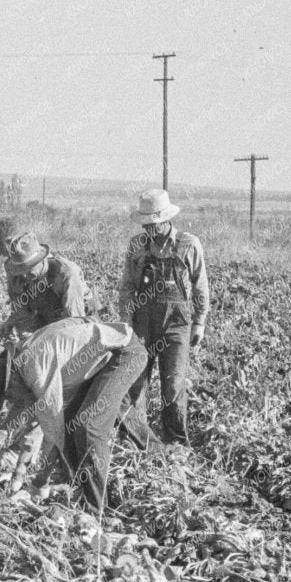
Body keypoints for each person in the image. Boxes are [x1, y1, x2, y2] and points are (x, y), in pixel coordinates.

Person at [0, 314, 149, 510]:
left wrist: (40, 481)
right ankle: (81, 490)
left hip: (124, 354)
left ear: (11, 382)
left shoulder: (35, 367)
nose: (11, 401)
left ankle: (95, 511)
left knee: (89, 427)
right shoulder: (24, 359)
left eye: (8, 396)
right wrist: (3, 432)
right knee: (73, 426)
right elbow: (31, 410)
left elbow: (53, 433)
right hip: (103, 358)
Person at [117, 188, 210, 445]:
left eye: (154, 224)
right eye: (146, 225)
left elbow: (200, 286)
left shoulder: (188, 244)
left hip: (177, 325)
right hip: (143, 324)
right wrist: (126, 322)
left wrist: (200, 322)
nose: (149, 229)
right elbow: (127, 288)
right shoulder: (137, 246)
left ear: (166, 220)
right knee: (136, 383)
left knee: (173, 385)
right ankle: (139, 441)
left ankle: (176, 444)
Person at [0, 231, 90, 337]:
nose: (24, 276)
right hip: (47, 319)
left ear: (41, 260)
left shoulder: (65, 273)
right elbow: (22, 315)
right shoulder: (16, 277)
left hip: (81, 320)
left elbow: (74, 321)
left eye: (28, 269)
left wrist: (41, 335)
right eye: (20, 271)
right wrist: (19, 328)